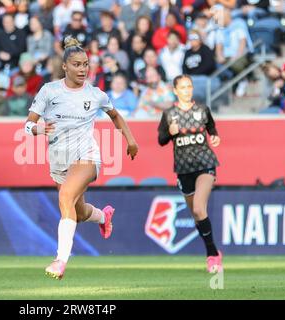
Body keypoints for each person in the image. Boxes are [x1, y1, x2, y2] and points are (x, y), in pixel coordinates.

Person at [25, 37, 138, 279]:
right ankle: (102, 215)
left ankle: (60, 260)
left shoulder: (96, 94)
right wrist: (38, 129)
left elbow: (115, 116)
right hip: (59, 161)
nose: (82, 69)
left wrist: (131, 140)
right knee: (78, 210)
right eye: (77, 65)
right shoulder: (49, 91)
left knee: (65, 196)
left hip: (87, 156)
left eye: (86, 64)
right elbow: (28, 126)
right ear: (64, 66)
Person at [157, 74, 223, 273]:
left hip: (205, 164)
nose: (187, 90)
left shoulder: (202, 110)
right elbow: (161, 140)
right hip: (183, 169)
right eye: (183, 87)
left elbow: (211, 127)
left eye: (189, 87)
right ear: (176, 91)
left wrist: (215, 137)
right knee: (196, 214)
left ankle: (212, 255)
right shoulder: (169, 114)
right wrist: (170, 132)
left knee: (199, 208)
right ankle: (212, 251)